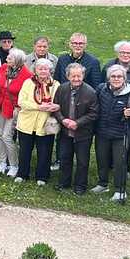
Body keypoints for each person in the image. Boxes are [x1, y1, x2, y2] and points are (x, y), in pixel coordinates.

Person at [92, 64, 130, 203]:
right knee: (101, 159)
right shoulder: (101, 89)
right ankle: (102, 184)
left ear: (124, 78)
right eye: (113, 76)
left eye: (119, 76)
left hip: (121, 134)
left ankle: (120, 190)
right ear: (108, 78)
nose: (116, 79)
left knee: (119, 162)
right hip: (102, 132)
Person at [55, 63, 99, 195]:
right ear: (67, 76)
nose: (76, 79)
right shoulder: (62, 89)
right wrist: (63, 120)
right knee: (64, 157)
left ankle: (80, 186)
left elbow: (94, 113)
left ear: (83, 76)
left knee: (82, 161)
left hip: (83, 133)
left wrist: (78, 123)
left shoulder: (90, 92)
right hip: (65, 131)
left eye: (79, 76)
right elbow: (56, 107)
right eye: (73, 76)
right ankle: (64, 182)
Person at [15, 59, 61, 186]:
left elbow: (59, 102)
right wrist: (38, 106)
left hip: (45, 124)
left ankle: (42, 176)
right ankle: (22, 174)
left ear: (50, 70)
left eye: (45, 69)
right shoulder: (28, 83)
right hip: (27, 123)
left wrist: (54, 106)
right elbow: (21, 102)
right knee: (25, 150)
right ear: (35, 70)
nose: (43, 71)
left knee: (45, 151)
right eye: (40, 68)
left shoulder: (55, 84)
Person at [0, 48, 31, 177]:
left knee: (7, 136)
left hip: (14, 109)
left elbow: (27, 92)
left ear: (18, 61)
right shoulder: (4, 68)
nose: (7, 58)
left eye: (10, 57)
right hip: (1, 105)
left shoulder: (26, 75)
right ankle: (2, 162)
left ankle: (14, 165)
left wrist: (19, 107)